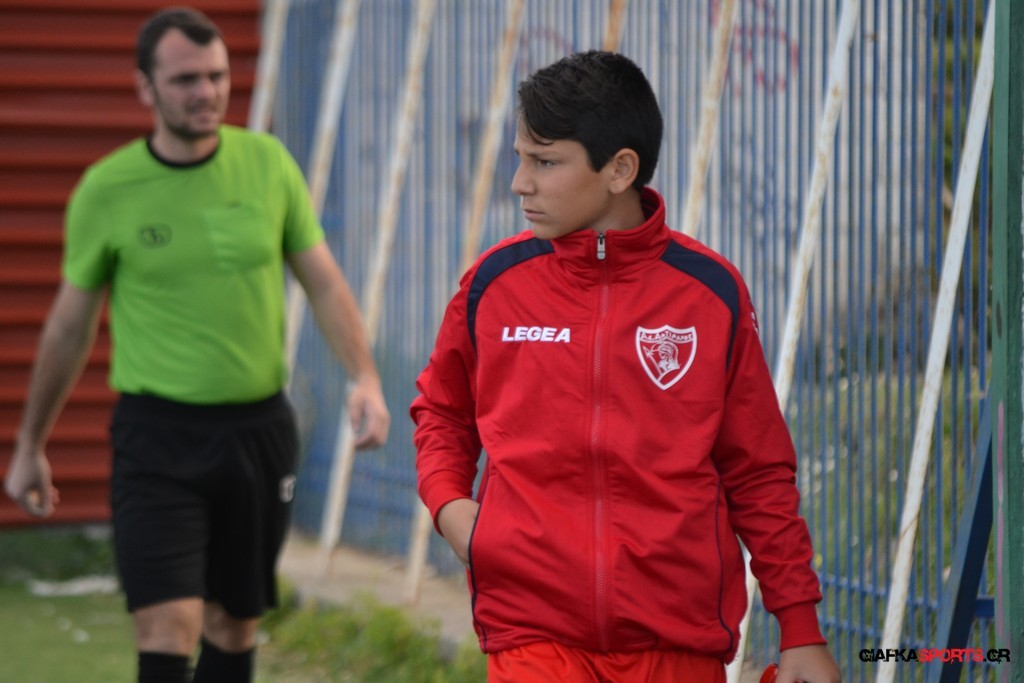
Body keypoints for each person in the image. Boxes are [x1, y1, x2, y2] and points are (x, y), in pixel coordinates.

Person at [411, 51, 841, 683]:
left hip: (676, 643)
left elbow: (757, 472)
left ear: (619, 170)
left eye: (545, 162)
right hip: (533, 636)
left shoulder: (709, 294)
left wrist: (799, 626)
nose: (520, 182)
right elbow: (442, 411)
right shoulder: (494, 284)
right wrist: (451, 508)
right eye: (520, 158)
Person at [3, 7, 390, 683]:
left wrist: (366, 376)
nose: (206, 92)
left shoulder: (267, 163)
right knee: (167, 625)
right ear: (145, 87)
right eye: (185, 79)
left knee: (233, 626)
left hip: (258, 432)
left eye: (216, 76)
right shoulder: (107, 189)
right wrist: (32, 441)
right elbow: (68, 327)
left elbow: (324, 282)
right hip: (157, 437)